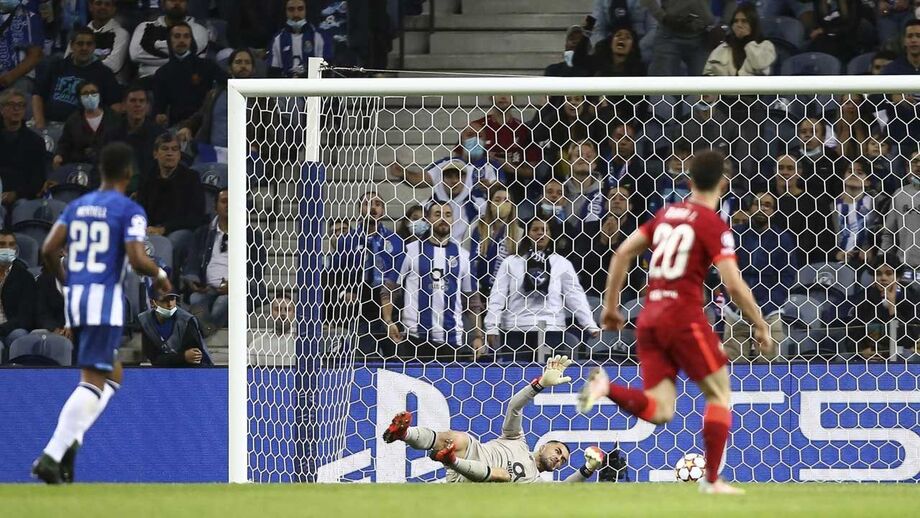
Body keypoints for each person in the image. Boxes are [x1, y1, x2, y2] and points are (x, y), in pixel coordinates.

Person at [577, 150, 772, 495]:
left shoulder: (666, 215)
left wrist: (610, 307)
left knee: (661, 410)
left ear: (690, 180)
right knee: (719, 394)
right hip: (682, 317)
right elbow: (731, 283)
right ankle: (711, 480)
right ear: (723, 182)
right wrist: (759, 322)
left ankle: (606, 388)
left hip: (649, 317)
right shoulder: (713, 223)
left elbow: (622, 252)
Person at [32, 142, 172, 484]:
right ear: (128, 173)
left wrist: (66, 282)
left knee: (114, 374)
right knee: (92, 379)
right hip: (102, 299)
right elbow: (138, 259)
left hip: (78, 298)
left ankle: (73, 440)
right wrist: (162, 275)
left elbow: (49, 249)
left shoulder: (77, 206)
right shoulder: (128, 209)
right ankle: (52, 455)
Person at [382, 355, 606, 483]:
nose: (559, 459)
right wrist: (540, 385)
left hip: (476, 488)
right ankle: (403, 434)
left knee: (503, 475)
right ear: (544, 446)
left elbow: (564, 491)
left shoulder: (535, 484)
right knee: (460, 439)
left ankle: (451, 460)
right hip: (465, 464)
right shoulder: (517, 439)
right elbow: (514, 407)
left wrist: (587, 469)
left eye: (563, 461)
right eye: (558, 452)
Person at [484, 218, 599, 361]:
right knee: (515, 378)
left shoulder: (562, 263)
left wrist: (589, 324)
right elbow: (497, 295)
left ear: (551, 234)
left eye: (545, 230)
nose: (540, 233)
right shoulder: (511, 262)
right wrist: (492, 326)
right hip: (516, 328)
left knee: (547, 378)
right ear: (527, 233)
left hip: (551, 328)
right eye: (535, 230)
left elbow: (575, 296)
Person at [387, 201, 482, 361]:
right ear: (428, 219)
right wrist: (389, 321)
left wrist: (478, 335)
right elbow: (390, 287)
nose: (443, 218)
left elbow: (472, 300)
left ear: (453, 220)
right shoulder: (410, 250)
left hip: (451, 338)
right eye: (437, 214)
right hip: (415, 338)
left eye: (448, 215)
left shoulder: (463, 255)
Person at [724, 192, 798, 360]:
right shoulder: (735, 235)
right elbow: (726, 270)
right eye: (757, 204)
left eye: (767, 205)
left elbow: (787, 277)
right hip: (737, 309)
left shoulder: (783, 239)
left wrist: (765, 306)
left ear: (774, 211)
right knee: (732, 365)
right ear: (750, 208)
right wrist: (736, 301)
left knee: (770, 366)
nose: (762, 208)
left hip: (770, 311)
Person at [331, 191, 404, 359]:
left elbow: (397, 278)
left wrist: (389, 317)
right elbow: (334, 275)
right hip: (360, 311)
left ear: (383, 210)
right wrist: (343, 293)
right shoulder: (347, 241)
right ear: (359, 209)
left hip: (390, 308)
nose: (372, 208)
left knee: (395, 362)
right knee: (364, 360)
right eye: (367, 204)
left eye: (377, 204)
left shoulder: (395, 241)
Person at [136, 133, 207, 273]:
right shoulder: (148, 178)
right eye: (165, 149)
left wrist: (164, 229)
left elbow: (197, 217)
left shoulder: (191, 178)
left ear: (180, 155)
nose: (170, 153)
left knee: (169, 244)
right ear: (155, 154)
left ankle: (169, 288)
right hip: (152, 229)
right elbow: (140, 210)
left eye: (175, 149)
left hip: (180, 230)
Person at [32, 27, 122, 130]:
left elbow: (115, 106)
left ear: (94, 47)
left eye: (89, 44)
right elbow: (38, 95)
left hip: (82, 131)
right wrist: (40, 125)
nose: (84, 48)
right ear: (71, 46)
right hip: (50, 124)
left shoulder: (104, 73)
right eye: (80, 43)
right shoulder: (56, 66)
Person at [176, 48, 254, 150]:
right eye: (238, 62)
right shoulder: (215, 93)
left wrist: (257, 147)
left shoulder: (262, 97)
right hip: (212, 154)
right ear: (230, 68)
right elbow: (199, 116)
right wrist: (187, 127)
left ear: (253, 68)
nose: (243, 66)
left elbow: (271, 131)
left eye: (247, 63)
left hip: (247, 156)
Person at [151, 22, 225, 127]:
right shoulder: (162, 73)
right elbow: (159, 107)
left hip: (206, 124)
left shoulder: (208, 66)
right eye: (177, 36)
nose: (182, 40)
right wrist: (159, 116)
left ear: (191, 40)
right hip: (176, 127)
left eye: (186, 36)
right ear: (169, 41)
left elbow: (227, 83)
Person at [53, 80, 125, 170]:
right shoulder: (73, 120)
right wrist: (59, 155)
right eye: (85, 94)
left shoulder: (113, 118)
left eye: (93, 92)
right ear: (79, 98)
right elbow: (65, 143)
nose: (90, 96)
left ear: (99, 95)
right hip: (78, 166)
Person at [129, 0, 209, 79]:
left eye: (182, 1)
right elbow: (135, 55)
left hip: (183, 81)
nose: (177, 3)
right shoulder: (144, 27)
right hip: (148, 81)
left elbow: (188, 55)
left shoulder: (198, 30)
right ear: (163, 3)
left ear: (187, 4)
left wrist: (155, 44)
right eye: (172, 0)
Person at [139, 288, 212, 366]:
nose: (170, 304)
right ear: (152, 303)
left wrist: (189, 357)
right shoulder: (146, 321)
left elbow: (197, 356)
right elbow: (154, 359)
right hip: (161, 371)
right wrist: (183, 356)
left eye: (172, 299)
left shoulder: (187, 321)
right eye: (164, 300)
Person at [0, 88, 46, 205]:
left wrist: (16, 194)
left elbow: (37, 180)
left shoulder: (35, 142)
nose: (16, 109)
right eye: (11, 105)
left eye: (21, 105)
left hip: (22, 196)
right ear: (1, 109)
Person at [703, 4, 775, 76]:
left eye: (744, 21)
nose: (739, 25)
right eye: (736, 21)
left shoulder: (766, 46)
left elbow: (759, 64)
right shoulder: (723, 48)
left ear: (753, 24)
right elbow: (707, 73)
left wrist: (748, 41)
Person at [267, 0, 334, 78]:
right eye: (291, 9)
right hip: (285, 88)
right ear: (285, 12)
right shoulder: (277, 40)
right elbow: (273, 73)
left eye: (300, 9)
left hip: (314, 87)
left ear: (306, 11)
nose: (296, 14)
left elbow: (326, 71)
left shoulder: (320, 37)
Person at [67, 0, 130, 83]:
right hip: (77, 82)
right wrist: (100, 58)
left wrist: (82, 60)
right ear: (90, 6)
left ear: (113, 9)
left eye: (107, 4)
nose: (103, 7)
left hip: (107, 85)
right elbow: (67, 61)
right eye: (98, 3)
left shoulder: (122, 34)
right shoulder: (79, 33)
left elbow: (113, 66)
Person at [119, 85, 165, 192]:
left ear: (148, 107)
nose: (137, 105)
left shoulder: (160, 135)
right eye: (133, 101)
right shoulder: (111, 135)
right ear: (124, 105)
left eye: (141, 101)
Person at [881, 149, 920, 269]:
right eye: (915, 161)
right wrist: (883, 261)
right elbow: (889, 234)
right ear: (908, 167)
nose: (918, 165)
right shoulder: (900, 194)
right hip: (905, 266)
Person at [0, 230, 36, 356]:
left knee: (20, 336)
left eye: (11, 245)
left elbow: (25, 316)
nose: (7, 248)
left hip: (12, 328)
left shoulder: (24, 277)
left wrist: (3, 329)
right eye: (2, 244)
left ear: (16, 250)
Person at [0, 0, 43, 95]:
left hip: (17, 77)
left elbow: (35, 55)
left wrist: (8, 78)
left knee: (20, 89)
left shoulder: (31, 17)